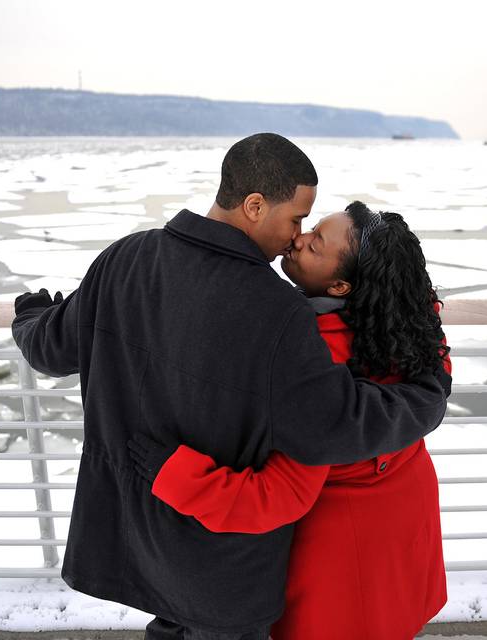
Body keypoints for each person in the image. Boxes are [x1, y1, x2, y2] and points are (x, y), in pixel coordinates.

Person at [11, 134, 451, 640]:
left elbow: (50, 348)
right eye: (295, 220)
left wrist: (30, 315)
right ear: (255, 205)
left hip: (137, 545)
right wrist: (428, 393)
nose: (295, 236)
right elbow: (330, 424)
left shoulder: (124, 259)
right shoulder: (278, 312)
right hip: (224, 571)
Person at [130, 202, 452, 639]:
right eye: (312, 227)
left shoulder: (311, 360)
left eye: (316, 243)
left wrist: (172, 473)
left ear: (340, 285)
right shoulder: (407, 323)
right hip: (402, 517)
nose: (298, 239)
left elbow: (278, 496)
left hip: (342, 549)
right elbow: (433, 378)